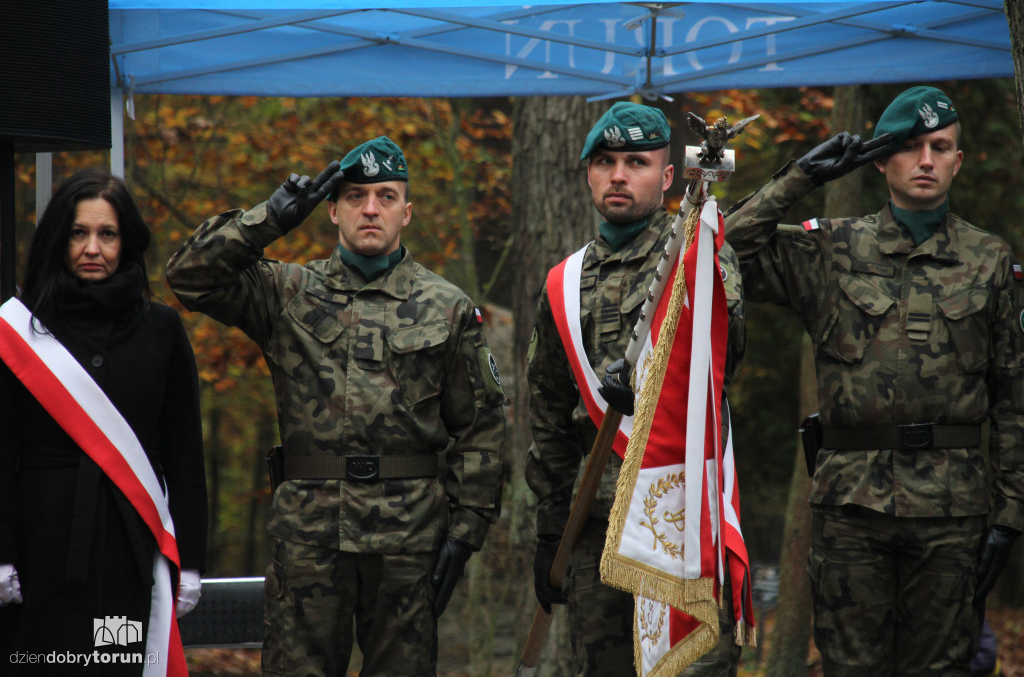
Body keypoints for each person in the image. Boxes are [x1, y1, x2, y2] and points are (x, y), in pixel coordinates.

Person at [165, 135, 507, 676]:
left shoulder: (447, 307)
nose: (371, 209)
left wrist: (467, 532)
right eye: (355, 197)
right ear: (330, 210)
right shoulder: (286, 292)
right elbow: (188, 276)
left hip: (408, 539)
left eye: (386, 197)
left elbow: (481, 427)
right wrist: (271, 218)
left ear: (407, 211)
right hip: (308, 538)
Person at [723, 85, 1024, 674]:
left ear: (959, 161)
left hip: (952, 513)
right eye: (910, 147)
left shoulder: (988, 259)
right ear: (880, 160)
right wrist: (801, 176)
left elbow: (1013, 398)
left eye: (941, 147)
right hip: (850, 509)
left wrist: (1010, 516)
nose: (927, 160)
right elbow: (723, 252)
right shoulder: (831, 249)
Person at [525, 101, 747, 676]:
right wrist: (550, 533)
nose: (618, 175)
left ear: (667, 176)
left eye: (636, 162)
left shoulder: (697, 258)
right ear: (589, 174)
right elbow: (549, 419)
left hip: (682, 519)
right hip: (595, 525)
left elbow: (724, 361)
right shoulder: (563, 284)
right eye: (604, 162)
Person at [0, 169, 208, 674]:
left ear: (126, 241)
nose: (92, 247)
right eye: (79, 233)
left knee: (117, 663)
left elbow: (183, 455)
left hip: (129, 549)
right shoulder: (17, 328)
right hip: (38, 548)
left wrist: (193, 562)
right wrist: (1, 552)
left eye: (107, 234)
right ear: (58, 239)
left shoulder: (162, 329)